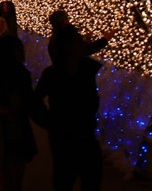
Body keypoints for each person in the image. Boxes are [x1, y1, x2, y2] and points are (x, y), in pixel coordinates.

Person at [35, 24, 103, 190]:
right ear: (68, 47)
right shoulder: (53, 75)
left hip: (85, 136)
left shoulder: (88, 70)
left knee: (89, 180)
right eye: (79, 42)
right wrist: (50, 123)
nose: (83, 45)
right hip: (64, 139)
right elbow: (34, 102)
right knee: (65, 180)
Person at [0, 35, 43, 191]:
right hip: (11, 127)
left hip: (8, 128)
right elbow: (30, 101)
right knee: (13, 171)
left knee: (6, 170)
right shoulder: (19, 75)